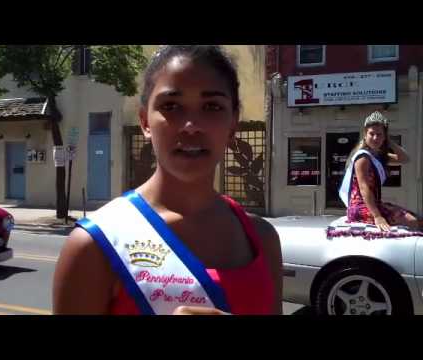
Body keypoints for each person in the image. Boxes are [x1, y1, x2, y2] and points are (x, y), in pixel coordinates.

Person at [52, 45, 282, 315]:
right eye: (171, 106)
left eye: (212, 106)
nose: (191, 125)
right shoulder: (94, 245)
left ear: (233, 124)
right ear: (145, 122)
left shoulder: (262, 238)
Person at [339, 111, 422, 232]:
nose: (375, 138)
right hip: (361, 207)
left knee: (417, 218)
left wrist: (389, 141)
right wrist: (377, 217)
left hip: (374, 204)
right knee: (412, 221)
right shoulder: (363, 158)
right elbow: (364, 188)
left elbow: (405, 158)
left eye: (379, 134)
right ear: (365, 134)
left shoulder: (378, 155)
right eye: (371, 134)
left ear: (385, 136)